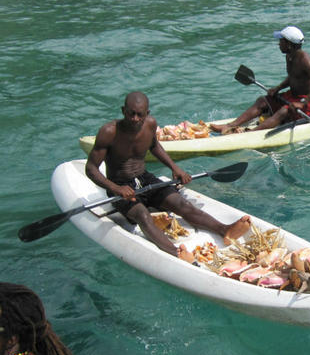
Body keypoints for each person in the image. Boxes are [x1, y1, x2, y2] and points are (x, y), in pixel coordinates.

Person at [85, 91, 251, 262]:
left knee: (181, 203)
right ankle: (176, 253)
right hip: (120, 185)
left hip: (144, 178)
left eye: (139, 114)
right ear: (123, 110)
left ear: (147, 114)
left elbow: (155, 146)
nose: (135, 118)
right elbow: (91, 168)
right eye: (131, 113)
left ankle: (224, 230)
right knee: (143, 215)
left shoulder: (150, 125)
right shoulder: (109, 132)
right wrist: (116, 188)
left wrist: (175, 168)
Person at [210, 25, 310, 133]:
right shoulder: (289, 56)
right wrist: (278, 88)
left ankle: (251, 134)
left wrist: (303, 103)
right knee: (262, 101)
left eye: (281, 41)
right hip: (292, 96)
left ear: (289, 44)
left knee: (283, 111)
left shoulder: (304, 59)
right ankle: (230, 125)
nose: (279, 44)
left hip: (308, 102)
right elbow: (294, 76)